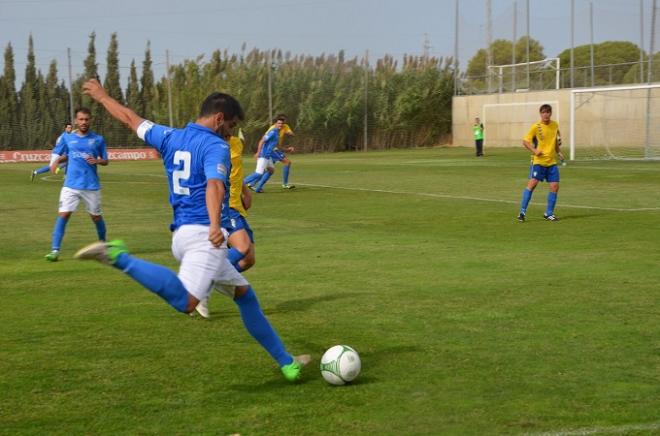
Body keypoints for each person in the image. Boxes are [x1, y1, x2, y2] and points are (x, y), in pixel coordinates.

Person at [75, 79, 310, 382]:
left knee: (244, 295)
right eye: (232, 126)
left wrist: (103, 96)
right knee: (187, 302)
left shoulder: (170, 136)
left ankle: (287, 363)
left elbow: (130, 119)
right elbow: (214, 185)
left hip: (183, 233)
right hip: (204, 237)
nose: (232, 133)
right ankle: (119, 257)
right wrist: (215, 225)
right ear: (219, 119)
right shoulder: (215, 146)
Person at [195, 129, 257, 319]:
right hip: (225, 205)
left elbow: (236, 171)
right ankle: (202, 281)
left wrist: (245, 191)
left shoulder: (237, 142)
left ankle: (206, 284)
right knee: (243, 246)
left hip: (236, 204)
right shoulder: (211, 145)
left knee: (248, 259)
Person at [44, 109, 108, 262]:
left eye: (86, 119)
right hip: (71, 185)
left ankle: (103, 246)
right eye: (81, 119)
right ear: (76, 121)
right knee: (64, 214)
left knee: (96, 217)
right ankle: (55, 251)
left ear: (90, 120)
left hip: (91, 185)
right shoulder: (68, 138)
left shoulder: (98, 139)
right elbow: (68, 154)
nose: (84, 122)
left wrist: (97, 161)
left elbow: (105, 160)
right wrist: (56, 161)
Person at [517, 104, 564, 222]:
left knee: (555, 186)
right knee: (532, 184)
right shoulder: (536, 127)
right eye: (543, 112)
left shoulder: (555, 125)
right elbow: (525, 141)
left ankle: (549, 213)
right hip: (539, 162)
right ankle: (522, 212)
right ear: (540, 114)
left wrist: (559, 152)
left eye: (548, 112)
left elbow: (555, 141)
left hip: (551, 162)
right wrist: (534, 150)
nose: (546, 114)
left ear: (550, 113)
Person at [243, 116, 286, 193]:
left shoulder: (277, 133)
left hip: (268, 156)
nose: (280, 125)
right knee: (259, 173)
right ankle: (239, 184)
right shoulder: (272, 132)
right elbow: (262, 141)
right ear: (275, 124)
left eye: (282, 123)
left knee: (271, 170)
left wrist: (287, 149)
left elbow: (277, 146)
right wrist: (258, 153)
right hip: (263, 155)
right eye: (279, 123)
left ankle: (258, 188)